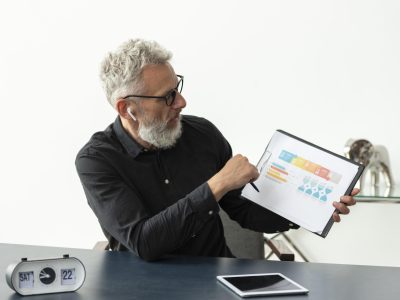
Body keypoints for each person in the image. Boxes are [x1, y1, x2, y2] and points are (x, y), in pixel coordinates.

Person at [76, 38, 358, 261]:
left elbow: (244, 211)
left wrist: (312, 209)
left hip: (217, 280)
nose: (182, 102)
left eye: (178, 88)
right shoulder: (96, 161)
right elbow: (145, 242)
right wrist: (218, 183)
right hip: (144, 289)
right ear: (128, 109)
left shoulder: (202, 134)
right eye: (168, 97)